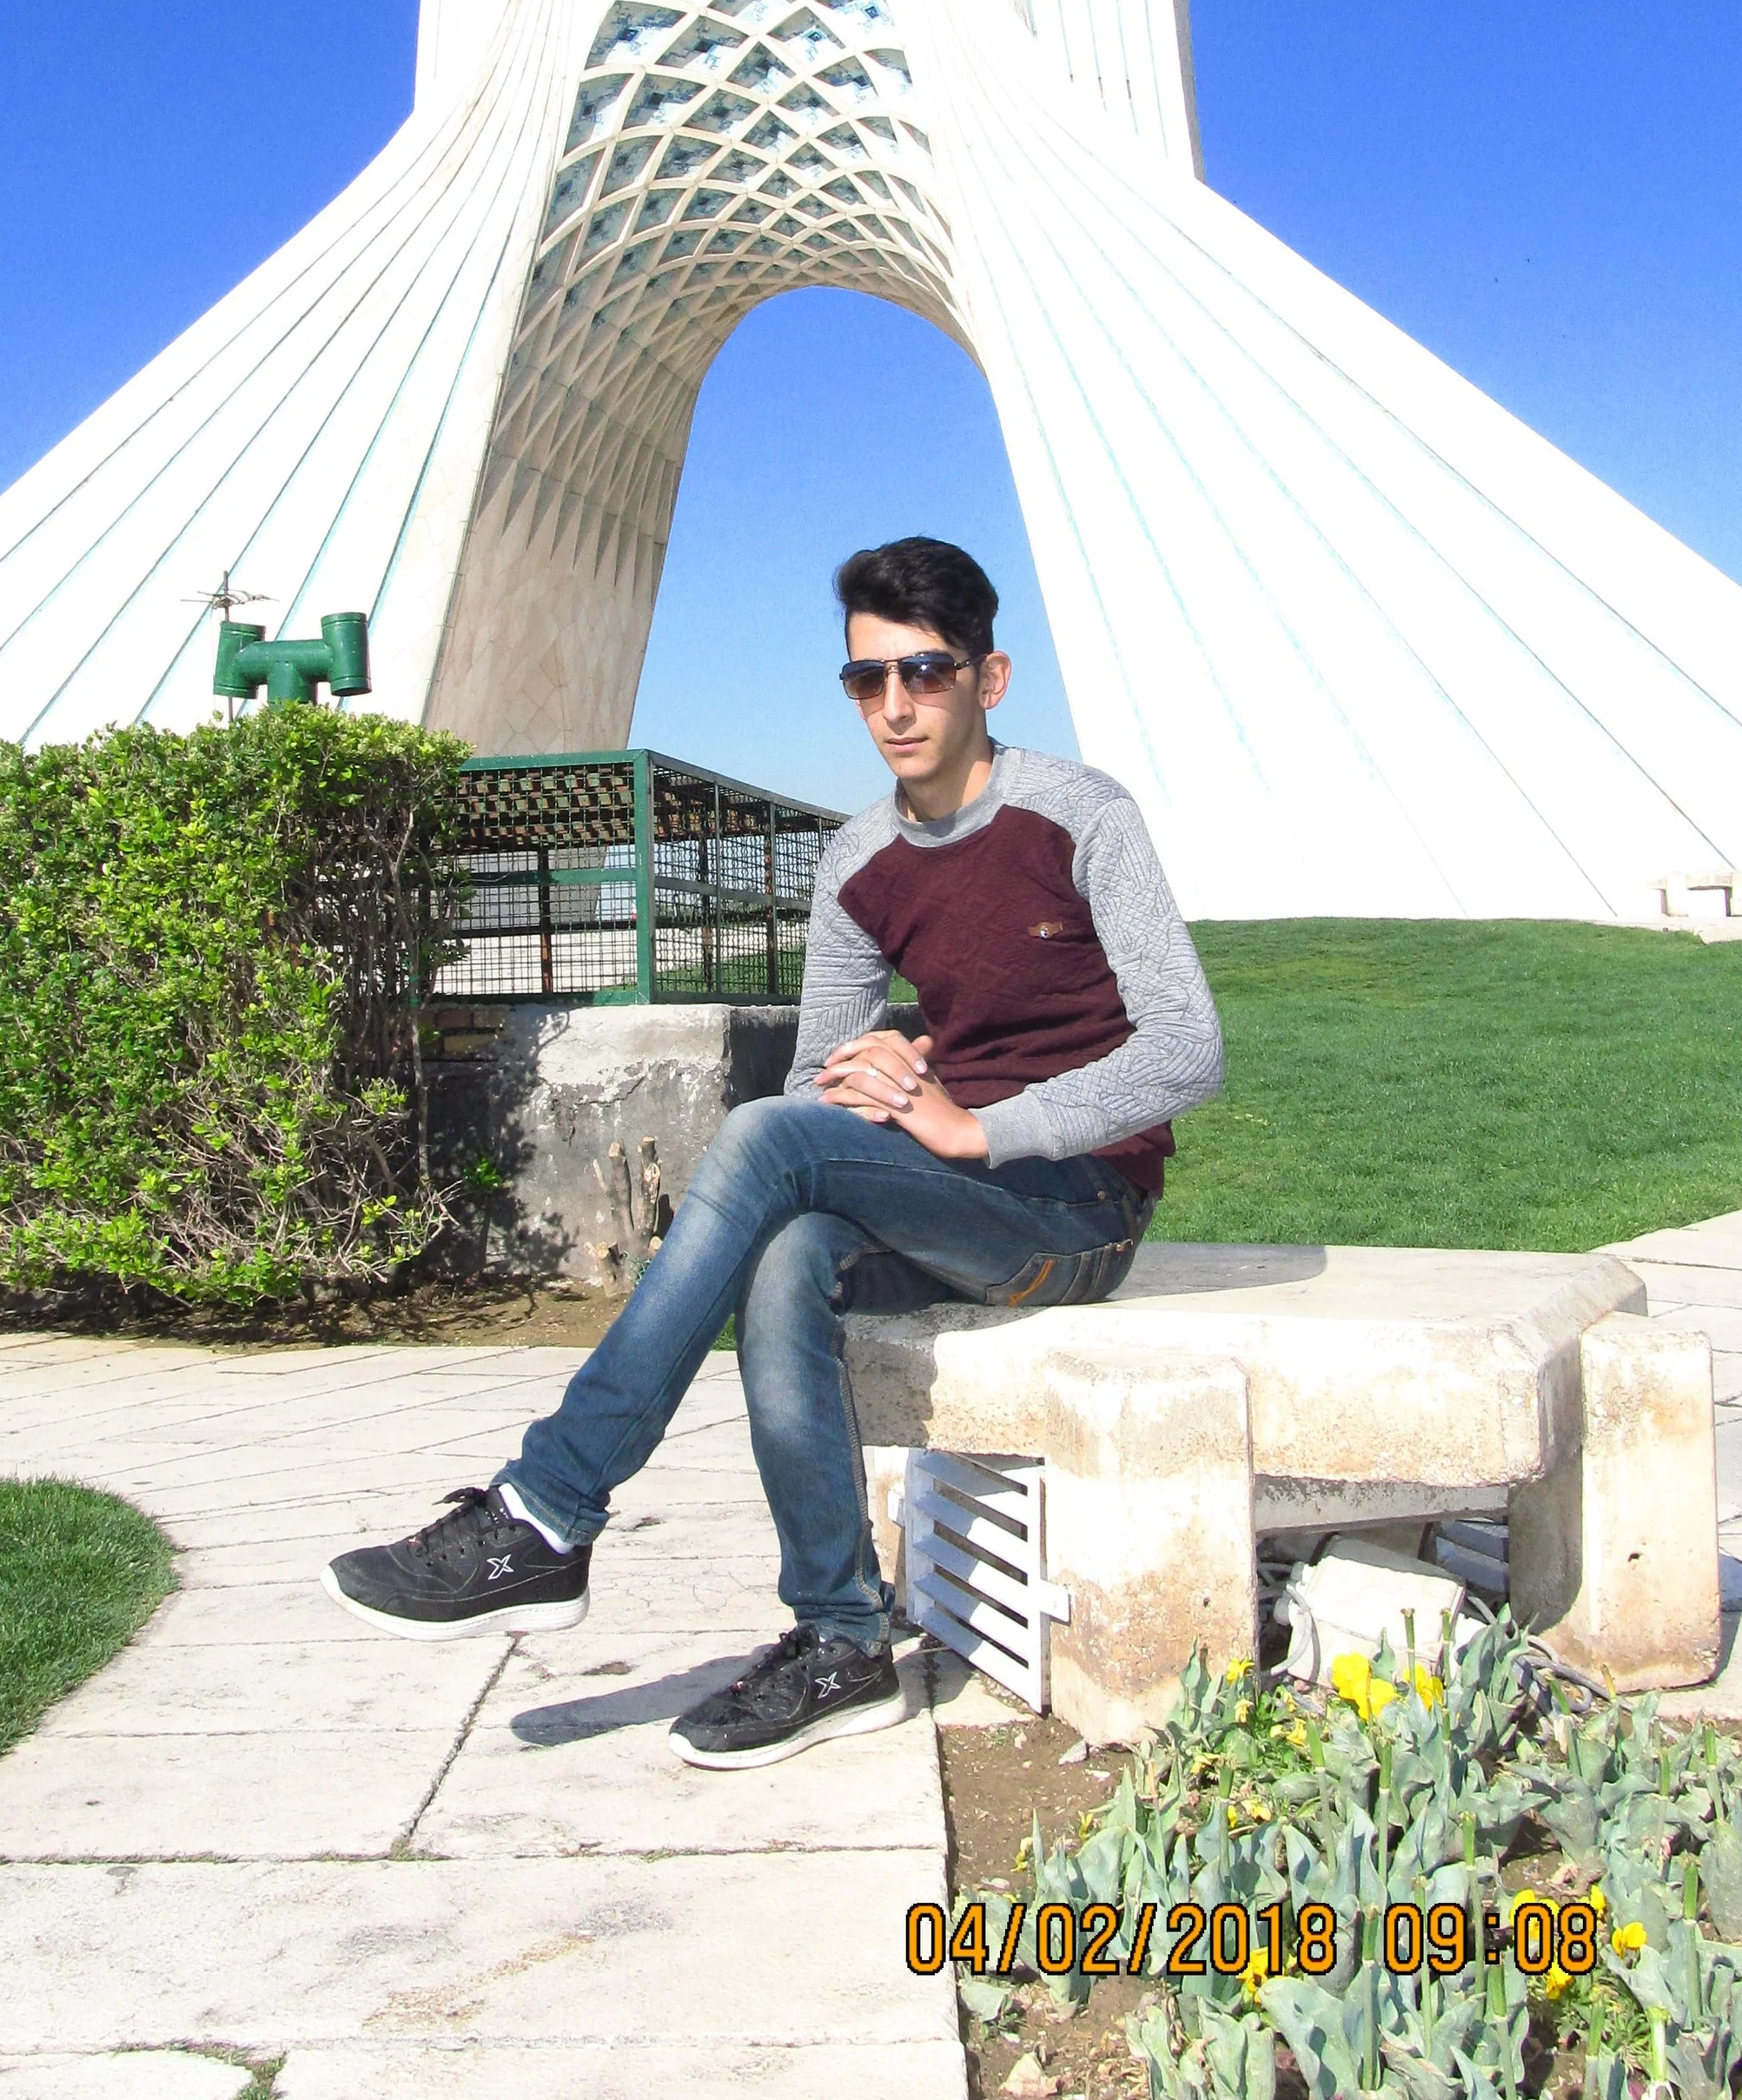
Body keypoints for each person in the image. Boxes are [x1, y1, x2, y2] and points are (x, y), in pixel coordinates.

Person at [324, 536, 1224, 1769]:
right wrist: (889, 1072)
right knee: (786, 1254)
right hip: (951, 1196)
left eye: (926, 672)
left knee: (757, 1145)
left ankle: (547, 1507)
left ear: (989, 679)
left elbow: (1188, 1049)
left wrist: (975, 1123)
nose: (896, 706)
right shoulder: (858, 864)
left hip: (1075, 1209)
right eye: (867, 680)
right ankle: (842, 1637)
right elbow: (815, 1080)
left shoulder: (1080, 815)